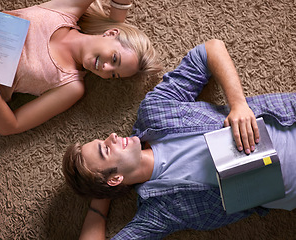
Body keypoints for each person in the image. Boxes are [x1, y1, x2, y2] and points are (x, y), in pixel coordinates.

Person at [62, 39, 296, 239]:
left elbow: (209, 50)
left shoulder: (155, 111)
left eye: (103, 140)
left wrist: (238, 104)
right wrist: (99, 195)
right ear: (114, 179)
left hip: (288, 117)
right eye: (105, 150)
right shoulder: (159, 211)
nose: (112, 136)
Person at [0, 0, 161, 135]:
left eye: (114, 74)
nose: (105, 69)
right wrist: (119, 10)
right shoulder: (65, 12)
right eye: (114, 58)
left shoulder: (71, 86)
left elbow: (10, 126)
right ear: (110, 33)